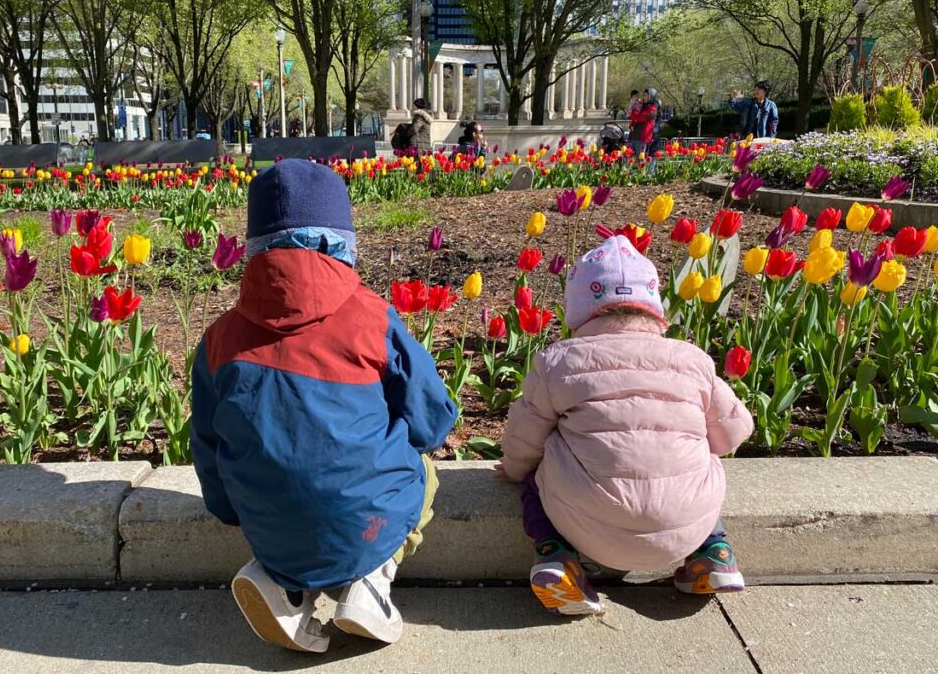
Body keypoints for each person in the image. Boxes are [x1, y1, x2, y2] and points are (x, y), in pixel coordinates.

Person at [191, 159, 457, 653]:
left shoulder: (217, 340)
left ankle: (284, 585)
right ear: (341, 243)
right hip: (364, 525)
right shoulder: (371, 317)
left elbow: (207, 446)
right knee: (425, 472)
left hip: (264, 524)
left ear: (252, 250)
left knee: (275, 472)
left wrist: (230, 511)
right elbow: (431, 418)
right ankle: (370, 583)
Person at [500, 235, 753, 616]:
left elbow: (524, 435)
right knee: (700, 461)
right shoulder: (691, 359)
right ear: (654, 307)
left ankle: (555, 556)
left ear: (578, 309)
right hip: (686, 526)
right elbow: (735, 432)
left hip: (587, 525)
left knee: (538, 466)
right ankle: (715, 553)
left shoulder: (559, 362)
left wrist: (516, 470)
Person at [628, 87, 660, 159]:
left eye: (646, 95)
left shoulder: (653, 108)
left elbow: (640, 117)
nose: (644, 97)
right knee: (627, 157)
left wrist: (635, 116)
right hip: (634, 135)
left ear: (651, 96)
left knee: (641, 159)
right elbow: (632, 115)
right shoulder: (641, 105)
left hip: (642, 137)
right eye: (644, 95)